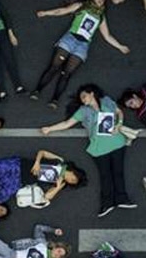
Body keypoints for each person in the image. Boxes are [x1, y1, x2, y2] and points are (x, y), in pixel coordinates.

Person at [41, 83, 134, 217]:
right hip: (98, 147)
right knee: (105, 175)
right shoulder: (83, 111)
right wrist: (49, 128)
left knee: (118, 172)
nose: (83, 100)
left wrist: (118, 125)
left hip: (116, 142)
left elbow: (119, 112)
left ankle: (122, 199)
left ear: (92, 93)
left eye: (84, 96)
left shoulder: (106, 101)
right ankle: (106, 203)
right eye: (81, 98)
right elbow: (67, 123)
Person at [31, 0, 129, 108]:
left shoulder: (101, 17)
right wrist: (46, 13)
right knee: (54, 67)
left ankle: (55, 100)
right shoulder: (81, 6)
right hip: (70, 38)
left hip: (82, 46)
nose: (100, 0)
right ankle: (37, 91)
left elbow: (107, 36)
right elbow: (62, 10)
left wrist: (120, 46)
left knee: (66, 74)